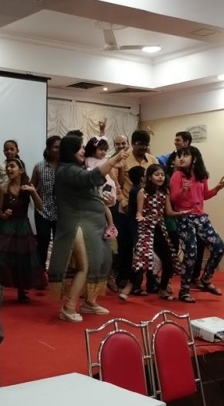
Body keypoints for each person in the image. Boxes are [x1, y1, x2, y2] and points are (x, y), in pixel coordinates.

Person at [49, 135, 128, 322]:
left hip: (92, 223)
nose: (83, 151)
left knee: (101, 260)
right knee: (85, 265)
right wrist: (113, 159)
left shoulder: (77, 168)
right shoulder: (66, 170)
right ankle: (68, 307)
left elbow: (94, 184)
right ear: (70, 151)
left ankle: (89, 302)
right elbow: (91, 178)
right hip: (77, 223)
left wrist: (105, 198)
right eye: (80, 148)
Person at [0, 159, 45, 302]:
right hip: (6, 227)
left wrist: (33, 192)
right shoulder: (3, 188)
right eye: (7, 167)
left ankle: (22, 291)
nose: (9, 169)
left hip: (23, 228)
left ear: (21, 170)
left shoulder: (27, 187)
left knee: (22, 259)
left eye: (12, 166)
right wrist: (3, 214)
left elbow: (40, 207)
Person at [170, 146, 224, 300]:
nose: (181, 158)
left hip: (201, 217)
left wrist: (217, 189)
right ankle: (184, 290)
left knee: (220, 247)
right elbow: (174, 199)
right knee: (191, 253)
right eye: (180, 155)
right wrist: (183, 190)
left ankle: (206, 279)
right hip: (184, 217)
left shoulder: (202, 176)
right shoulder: (177, 176)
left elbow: (204, 195)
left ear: (194, 159)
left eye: (185, 155)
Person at [120, 164, 182, 301]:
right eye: (156, 174)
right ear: (149, 177)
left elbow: (169, 212)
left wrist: (182, 213)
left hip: (160, 228)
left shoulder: (165, 192)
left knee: (168, 260)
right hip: (146, 228)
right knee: (142, 258)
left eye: (162, 174)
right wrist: (141, 218)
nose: (160, 177)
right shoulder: (142, 192)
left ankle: (162, 289)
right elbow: (139, 213)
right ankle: (129, 286)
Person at [115, 129, 158, 291]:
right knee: (125, 246)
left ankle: (150, 281)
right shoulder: (123, 159)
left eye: (146, 144)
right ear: (133, 144)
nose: (144, 148)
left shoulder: (152, 160)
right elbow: (116, 185)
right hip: (126, 209)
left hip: (147, 211)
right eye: (140, 144)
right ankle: (124, 277)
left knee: (146, 247)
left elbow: (156, 183)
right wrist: (123, 202)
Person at [30, 135, 60, 270]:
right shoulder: (39, 166)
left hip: (61, 212)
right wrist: (36, 201)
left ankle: (56, 272)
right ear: (48, 149)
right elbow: (32, 186)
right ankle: (40, 272)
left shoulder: (65, 166)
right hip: (42, 210)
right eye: (56, 147)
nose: (59, 150)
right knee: (43, 240)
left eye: (61, 147)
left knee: (60, 242)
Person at [0, 140, 20, 231]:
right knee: (0, 234)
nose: (9, 151)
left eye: (12, 149)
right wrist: (2, 191)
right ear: (3, 151)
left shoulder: (20, 166)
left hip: (16, 205)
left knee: (16, 235)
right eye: (6, 149)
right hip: (0, 205)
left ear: (17, 151)